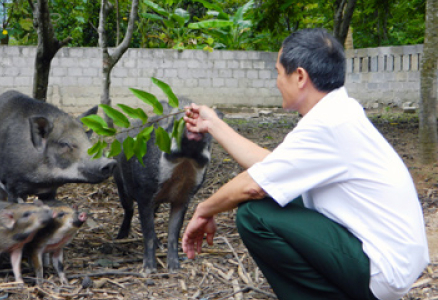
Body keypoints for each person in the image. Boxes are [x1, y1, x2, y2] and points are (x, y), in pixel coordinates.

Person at [181, 28, 429, 300]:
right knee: (277, 195)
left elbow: (253, 186)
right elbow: (272, 166)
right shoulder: (338, 111)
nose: (276, 81)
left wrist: (203, 210)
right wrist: (212, 124)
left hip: (381, 269)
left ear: (299, 76)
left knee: (254, 215)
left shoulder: (327, 124)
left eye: (278, 72)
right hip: (391, 257)